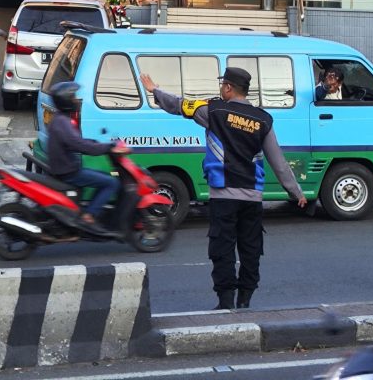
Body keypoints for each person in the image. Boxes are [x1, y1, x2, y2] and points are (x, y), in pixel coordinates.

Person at [140, 67, 307, 310]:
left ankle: (226, 301)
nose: (221, 89)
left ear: (228, 87)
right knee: (251, 248)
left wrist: (155, 90)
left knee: (222, 248)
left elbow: (180, 105)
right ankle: (245, 299)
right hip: (252, 197)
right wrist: (297, 193)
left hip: (223, 196)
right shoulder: (263, 120)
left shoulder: (214, 111)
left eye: (222, 85)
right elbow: (278, 162)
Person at [46, 82, 129, 234]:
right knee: (111, 183)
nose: (77, 100)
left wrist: (98, 143)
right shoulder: (63, 123)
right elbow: (81, 146)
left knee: (104, 176)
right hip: (69, 172)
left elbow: (78, 142)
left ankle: (90, 211)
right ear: (66, 101)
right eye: (74, 97)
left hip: (66, 167)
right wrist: (109, 148)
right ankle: (89, 217)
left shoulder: (59, 119)